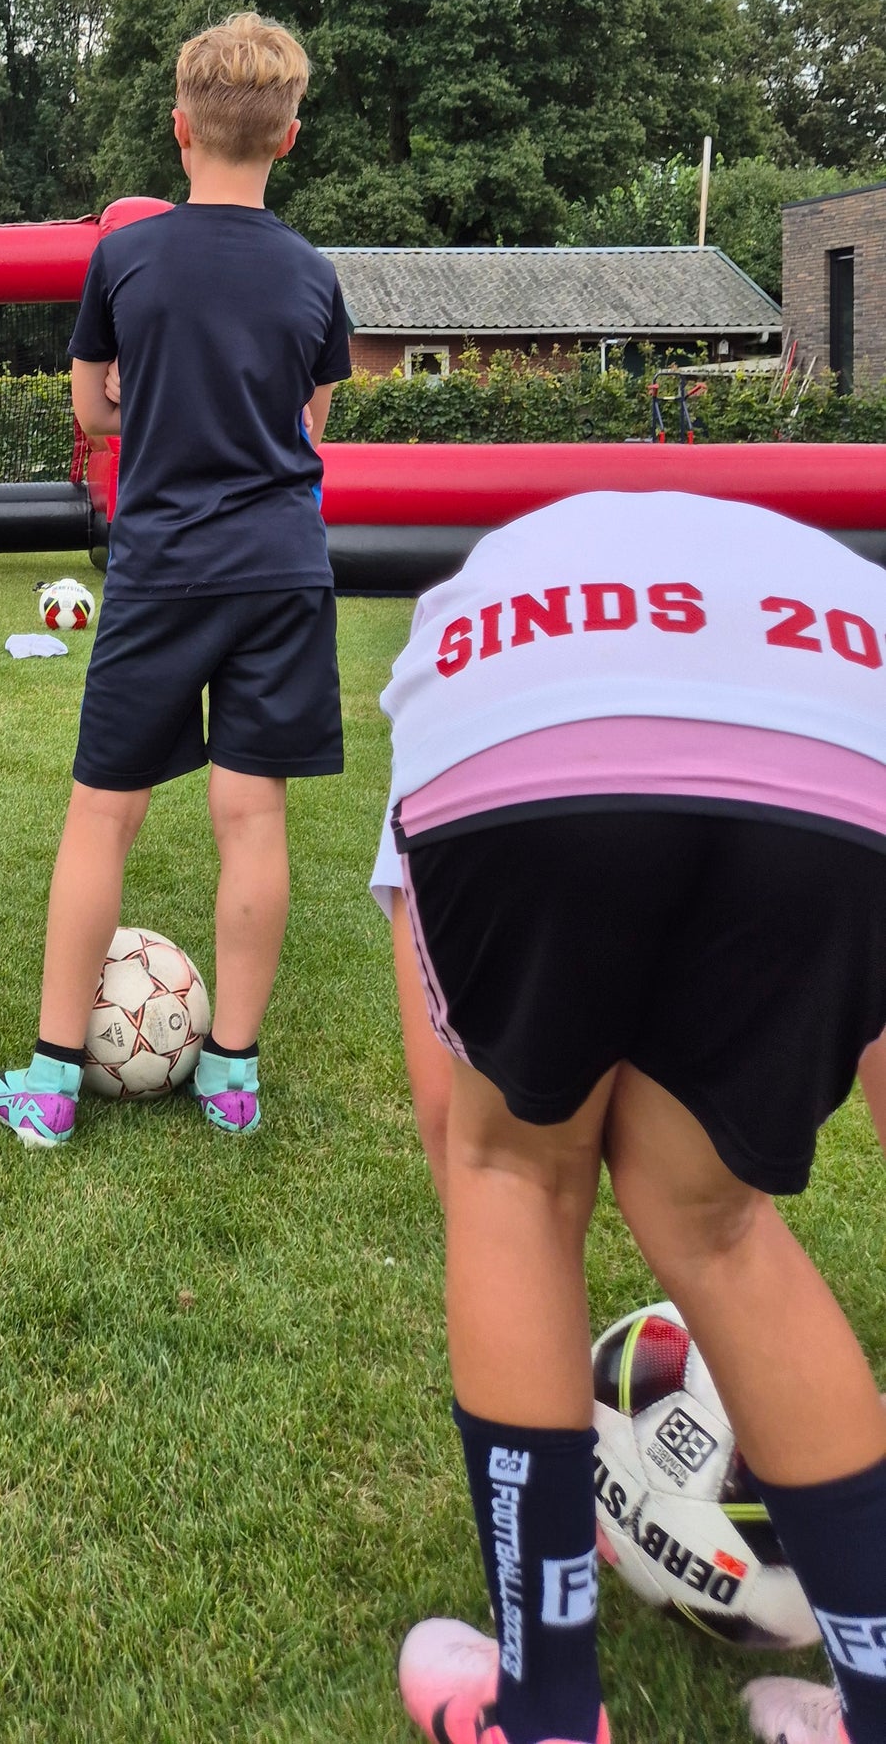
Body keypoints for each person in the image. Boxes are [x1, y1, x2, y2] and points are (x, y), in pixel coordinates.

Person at [371, 487, 886, 1744]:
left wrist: (520, 1193)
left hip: (525, 720)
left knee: (509, 1177)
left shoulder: (468, 609)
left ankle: (542, 1707)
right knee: (715, 1224)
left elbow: (459, 1135)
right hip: (848, 725)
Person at [0, 12, 352, 1146]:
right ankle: (230, 1078)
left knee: (104, 817)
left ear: (179, 129)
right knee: (251, 818)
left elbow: (92, 404)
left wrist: (149, 410)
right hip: (281, 574)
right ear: (288, 137)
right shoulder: (311, 273)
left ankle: (49, 1087)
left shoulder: (125, 255)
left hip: (163, 571)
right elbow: (310, 425)